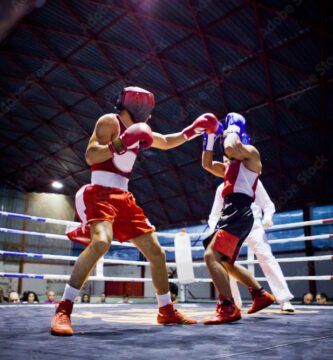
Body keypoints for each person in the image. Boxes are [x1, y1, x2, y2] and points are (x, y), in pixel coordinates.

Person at [51, 86, 219, 335]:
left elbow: (166, 141)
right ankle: (63, 309)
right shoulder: (109, 121)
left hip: (124, 198)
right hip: (100, 193)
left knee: (157, 253)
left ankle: (166, 310)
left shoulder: (142, 132)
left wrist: (193, 131)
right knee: (101, 242)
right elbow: (90, 155)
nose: (148, 112)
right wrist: (118, 144)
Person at [201, 112, 275, 324]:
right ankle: (260, 295)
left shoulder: (251, 155)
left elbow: (231, 147)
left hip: (239, 211)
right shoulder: (228, 168)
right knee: (226, 262)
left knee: (211, 256)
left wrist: (232, 128)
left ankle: (227, 307)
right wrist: (211, 137)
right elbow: (207, 164)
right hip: (234, 212)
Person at [208, 180, 295, 312]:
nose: (229, 164)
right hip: (231, 229)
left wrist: (268, 217)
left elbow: (267, 204)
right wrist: (215, 229)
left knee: (266, 258)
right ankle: (234, 304)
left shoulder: (252, 180)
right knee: (225, 263)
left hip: (254, 226)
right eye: (226, 162)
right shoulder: (222, 187)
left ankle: (284, 300)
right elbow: (214, 214)